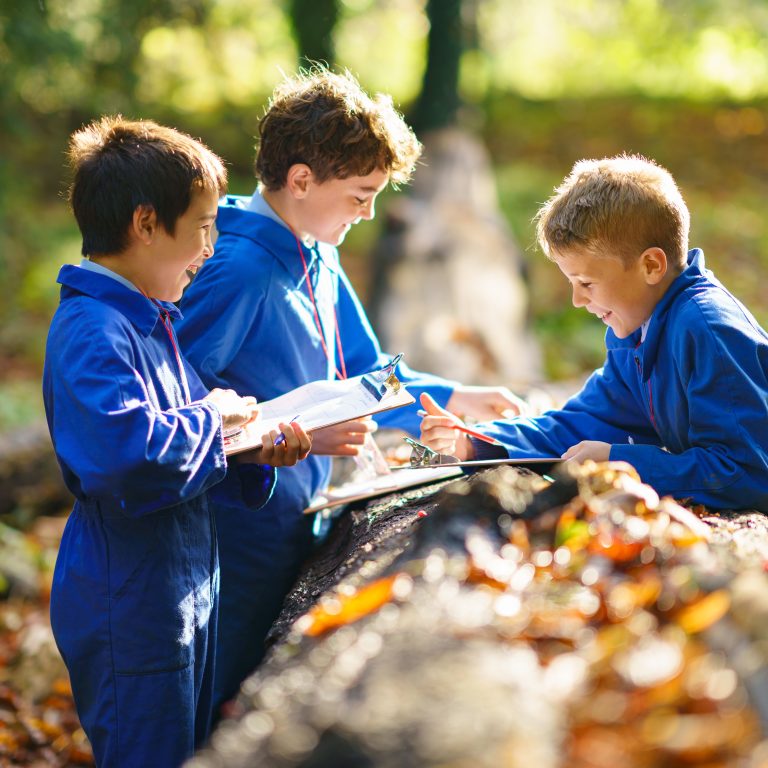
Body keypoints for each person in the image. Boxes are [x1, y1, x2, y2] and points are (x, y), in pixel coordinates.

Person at [176, 67, 526, 711]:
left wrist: (456, 395)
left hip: (303, 519)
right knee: (218, 699)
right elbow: (182, 406)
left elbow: (366, 370)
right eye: (360, 194)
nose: (370, 213)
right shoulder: (239, 270)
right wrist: (301, 438)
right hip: (233, 537)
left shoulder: (319, 247)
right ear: (302, 179)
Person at [43, 116, 311, 767]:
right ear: (144, 223)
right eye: (201, 225)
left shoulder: (151, 318)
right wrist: (217, 424)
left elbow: (185, 439)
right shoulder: (93, 330)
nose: (211, 247)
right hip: (127, 595)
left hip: (182, 579)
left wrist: (251, 448)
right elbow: (123, 453)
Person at [420, 153, 768, 511]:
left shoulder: (708, 330)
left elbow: (748, 473)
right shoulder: (636, 326)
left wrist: (625, 462)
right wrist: (477, 442)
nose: (576, 299)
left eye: (586, 282)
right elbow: (588, 422)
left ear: (651, 265)